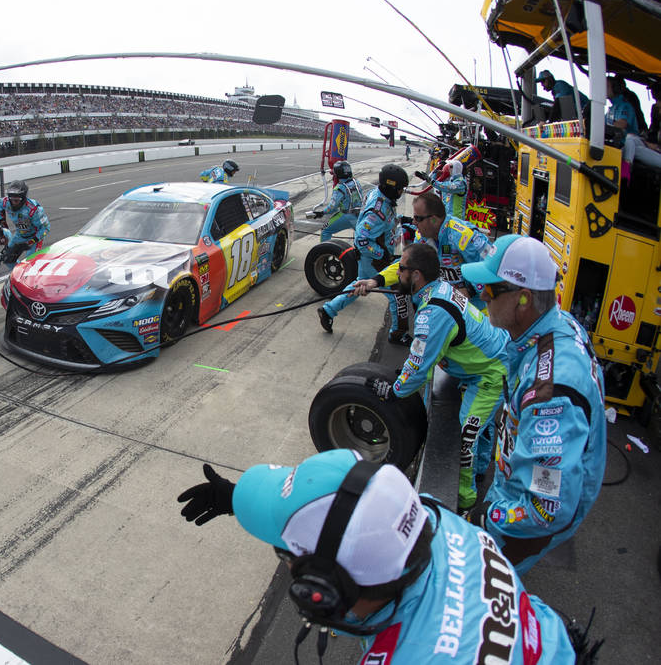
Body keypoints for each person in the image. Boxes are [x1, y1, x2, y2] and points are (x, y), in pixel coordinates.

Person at [177, 449, 590, 662]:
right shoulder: (436, 522)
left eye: (284, 553)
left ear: (323, 591)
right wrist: (237, 499)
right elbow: (347, 505)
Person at [461, 235, 606, 575]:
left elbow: (545, 510)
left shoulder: (550, 396)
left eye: (491, 290)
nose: (482, 294)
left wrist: (486, 517)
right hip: (518, 480)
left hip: (525, 515)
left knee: (483, 577)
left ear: (523, 299)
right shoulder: (557, 323)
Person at [364, 243, 508, 512]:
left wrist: (393, 390)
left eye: (403, 269)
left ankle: (463, 502)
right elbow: (423, 357)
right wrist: (374, 281)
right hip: (484, 362)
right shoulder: (438, 289)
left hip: (490, 373)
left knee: (466, 435)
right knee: (482, 426)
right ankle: (479, 468)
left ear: (416, 275)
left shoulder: (434, 312)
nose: (399, 272)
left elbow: (419, 367)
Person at [352, 192, 494, 313]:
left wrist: (469, 290)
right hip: (446, 308)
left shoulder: (465, 236)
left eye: (418, 218)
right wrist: (375, 281)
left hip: (477, 311)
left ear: (433, 219)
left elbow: (491, 267)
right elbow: (406, 265)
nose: (413, 222)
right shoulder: (422, 237)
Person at [318, 164, 410, 345]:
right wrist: (382, 254)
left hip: (371, 256)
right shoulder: (377, 211)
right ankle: (397, 334)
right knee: (396, 293)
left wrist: (403, 221)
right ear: (391, 188)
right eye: (399, 189)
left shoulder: (380, 196)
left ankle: (328, 310)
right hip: (374, 258)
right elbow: (361, 238)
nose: (401, 192)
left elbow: (386, 222)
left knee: (359, 284)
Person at [606, 75, 661, 178]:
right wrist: (647, 142)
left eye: (659, 99)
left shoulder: (625, 105)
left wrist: (655, 146)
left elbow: (622, 124)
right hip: (653, 148)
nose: (656, 103)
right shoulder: (656, 112)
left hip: (658, 151)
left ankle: (623, 177)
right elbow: (652, 133)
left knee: (630, 146)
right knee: (630, 140)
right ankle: (625, 175)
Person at [0, 180, 51, 268]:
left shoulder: (34, 209)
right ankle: (19, 273)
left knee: (30, 263)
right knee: (7, 259)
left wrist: (31, 241)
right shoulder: (5, 202)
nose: (13, 203)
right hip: (20, 235)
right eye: (11, 200)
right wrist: (1, 223)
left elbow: (46, 228)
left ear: (23, 198)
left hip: (34, 237)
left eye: (16, 200)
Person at [311, 161, 363, 241]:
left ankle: (325, 253)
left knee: (325, 230)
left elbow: (332, 207)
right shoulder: (357, 183)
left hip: (346, 215)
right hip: (359, 215)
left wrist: (322, 213)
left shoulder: (339, 188)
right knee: (361, 236)